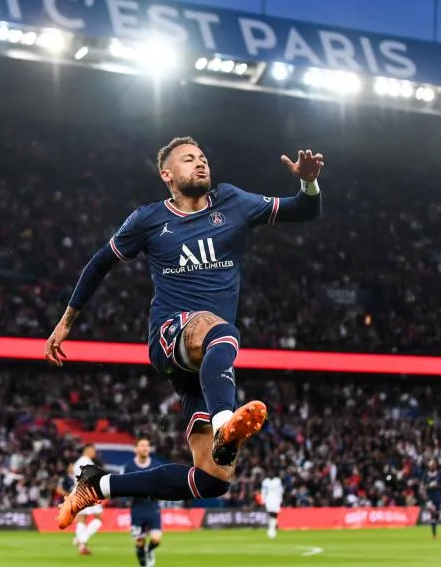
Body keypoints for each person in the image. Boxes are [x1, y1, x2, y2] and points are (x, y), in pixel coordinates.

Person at [46, 137, 323, 529]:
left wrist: (308, 183)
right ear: (167, 175)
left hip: (204, 364)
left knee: (212, 480)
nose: (200, 163)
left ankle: (98, 485)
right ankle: (226, 421)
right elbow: (99, 263)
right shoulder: (148, 219)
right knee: (221, 330)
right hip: (170, 335)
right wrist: (65, 323)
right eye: (188, 159)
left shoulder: (232, 202)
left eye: (204, 158)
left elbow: (305, 210)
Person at [123, 438, 162, 566]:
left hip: (152, 506)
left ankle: (149, 551)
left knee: (156, 539)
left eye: (147, 446)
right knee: (139, 542)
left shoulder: (156, 466)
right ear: (136, 449)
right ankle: (143, 562)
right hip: (137, 508)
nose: (145, 448)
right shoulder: (129, 467)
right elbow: (124, 487)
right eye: (142, 445)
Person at [68, 445, 104, 555]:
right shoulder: (86, 461)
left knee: (82, 518)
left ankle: (81, 543)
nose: (94, 453)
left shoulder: (79, 462)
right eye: (93, 450)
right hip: (88, 492)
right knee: (98, 519)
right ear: (88, 450)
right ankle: (82, 541)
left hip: (79, 493)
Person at [424, 461, 441, 539]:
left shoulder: (440, 473)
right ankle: (434, 535)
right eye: (431, 466)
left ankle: (435, 521)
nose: (433, 467)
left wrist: (437, 486)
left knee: (436, 516)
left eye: (434, 465)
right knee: (432, 513)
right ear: (429, 467)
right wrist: (429, 487)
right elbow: (424, 486)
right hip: (430, 498)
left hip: (438, 497)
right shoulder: (426, 475)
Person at [260, 474, 284, 539]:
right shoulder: (265, 482)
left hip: (276, 498)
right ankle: (271, 528)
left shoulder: (277, 481)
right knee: (270, 513)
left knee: (275, 514)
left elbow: (280, 491)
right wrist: (263, 500)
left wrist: (280, 499)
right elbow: (263, 492)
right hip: (269, 498)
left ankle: (272, 528)